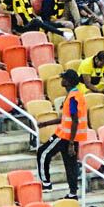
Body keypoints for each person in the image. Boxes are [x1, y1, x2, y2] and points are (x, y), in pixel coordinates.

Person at [36, 69, 84, 199]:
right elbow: (65, 118)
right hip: (71, 136)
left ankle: (46, 183)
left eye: (63, 78)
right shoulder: (75, 94)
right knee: (70, 165)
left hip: (65, 136)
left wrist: (71, 143)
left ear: (67, 82)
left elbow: (74, 120)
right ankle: (73, 193)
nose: (61, 80)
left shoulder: (73, 98)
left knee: (43, 152)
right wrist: (46, 123)